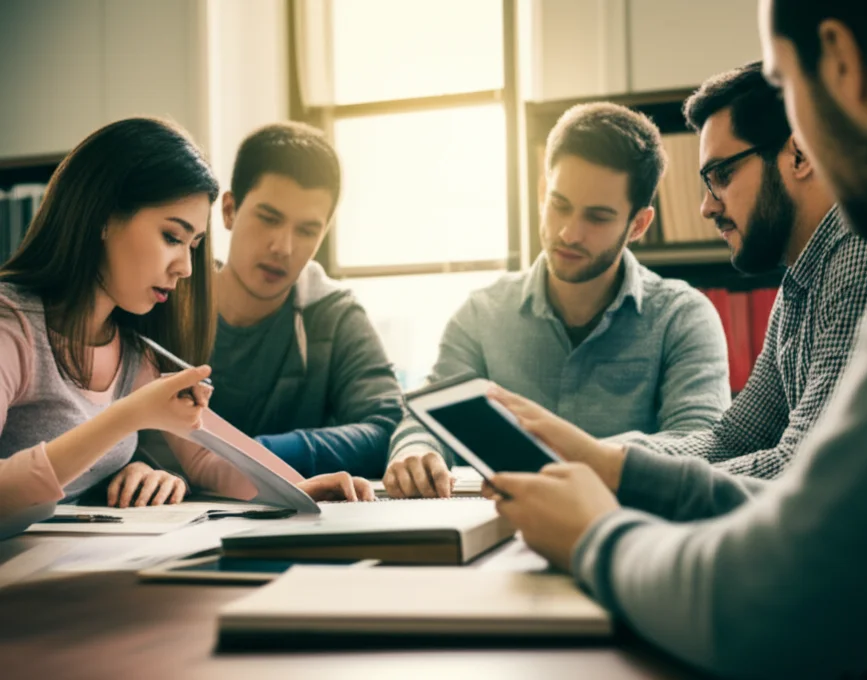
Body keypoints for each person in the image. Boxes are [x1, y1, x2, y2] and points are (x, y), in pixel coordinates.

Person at [482, 0, 867, 676]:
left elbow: (774, 593)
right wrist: (612, 463)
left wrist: (597, 531)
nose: (707, 205)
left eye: (788, 86)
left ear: (841, 61)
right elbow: (747, 444)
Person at [0, 118, 374, 532]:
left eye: (194, 245)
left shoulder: (133, 349)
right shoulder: (12, 326)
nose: (185, 268)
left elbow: (207, 453)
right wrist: (125, 418)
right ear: (102, 217)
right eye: (172, 238)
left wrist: (301, 489)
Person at [384, 102, 731, 499]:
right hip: (494, 528)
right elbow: (428, 417)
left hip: (626, 534)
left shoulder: (682, 317)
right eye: (559, 205)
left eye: (597, 218)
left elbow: (701, 445)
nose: (568, 233)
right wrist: (416, 450)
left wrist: (580, 457)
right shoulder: (481, 312)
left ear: (638, 225)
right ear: (541, 192)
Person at [615, 61, 867, 478]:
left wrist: (625, 478)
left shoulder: (864, 251)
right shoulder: (799, 283)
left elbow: (802, 468)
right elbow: (733, 437)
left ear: (799, 154)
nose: (707, 206)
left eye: (722, 175)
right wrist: (604, 457)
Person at [210, 122, 402, 479]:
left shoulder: (332, 314)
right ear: (229, 210)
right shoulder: (167, 300)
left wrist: (247, 456)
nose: (283, 247)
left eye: (306, 230)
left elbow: (390, 427)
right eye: (269, 219)